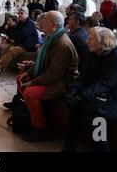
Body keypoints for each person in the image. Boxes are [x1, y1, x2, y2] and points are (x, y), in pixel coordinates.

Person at [63, 27, 117, 152]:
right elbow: (84, 78)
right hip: (100, 95)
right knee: (74, 109)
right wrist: (73, 91)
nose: (86, 42)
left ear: (102, 41)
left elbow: (106, 84)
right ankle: (69, 149)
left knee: (97, 119)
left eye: (90, 39)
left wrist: (82, 97)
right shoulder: (93, 55)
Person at [13, 11, 79, 142]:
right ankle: (27, 116)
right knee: (21, 78)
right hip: (50, 77)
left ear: (53, 25)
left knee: (30, 93)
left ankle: (41, 128)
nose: (42, 23)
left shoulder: (62, 44)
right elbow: (41, 62)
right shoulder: (51, 38)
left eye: (45, 21)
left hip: (62, 83)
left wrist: (33, 82)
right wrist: (28, 73)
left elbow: (54, 75)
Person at [0, 6, 38, 77]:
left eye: (22, 13)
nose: (20, 15)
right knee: (7, 48)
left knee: (13, 50)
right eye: (19, 13)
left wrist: (14, 36)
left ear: (27, 14)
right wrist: (9, 30)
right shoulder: (20, 23)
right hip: (21, 43)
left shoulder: (30, 23)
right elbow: (14, 34)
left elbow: (22, 35)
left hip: (28, 45)